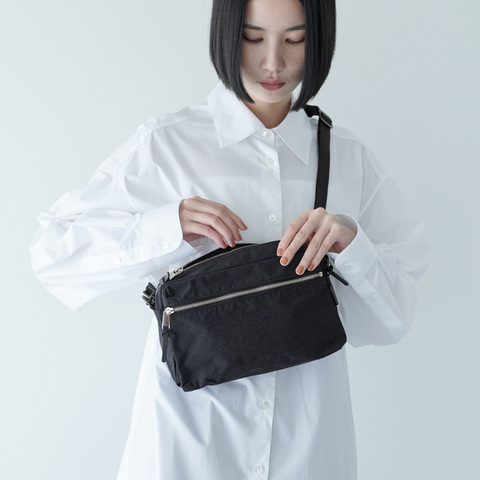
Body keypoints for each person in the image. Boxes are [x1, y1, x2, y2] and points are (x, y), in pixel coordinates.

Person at [30, 0, 429, 478]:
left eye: (296, 39)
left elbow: (392, 321)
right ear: (225, 32)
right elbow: (53, 255)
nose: (273, 62)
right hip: (186, 450)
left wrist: (351, 244)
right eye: (253, 38)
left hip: (307, 453)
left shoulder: (347, 159)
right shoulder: (166, 147)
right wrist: (167, 226)